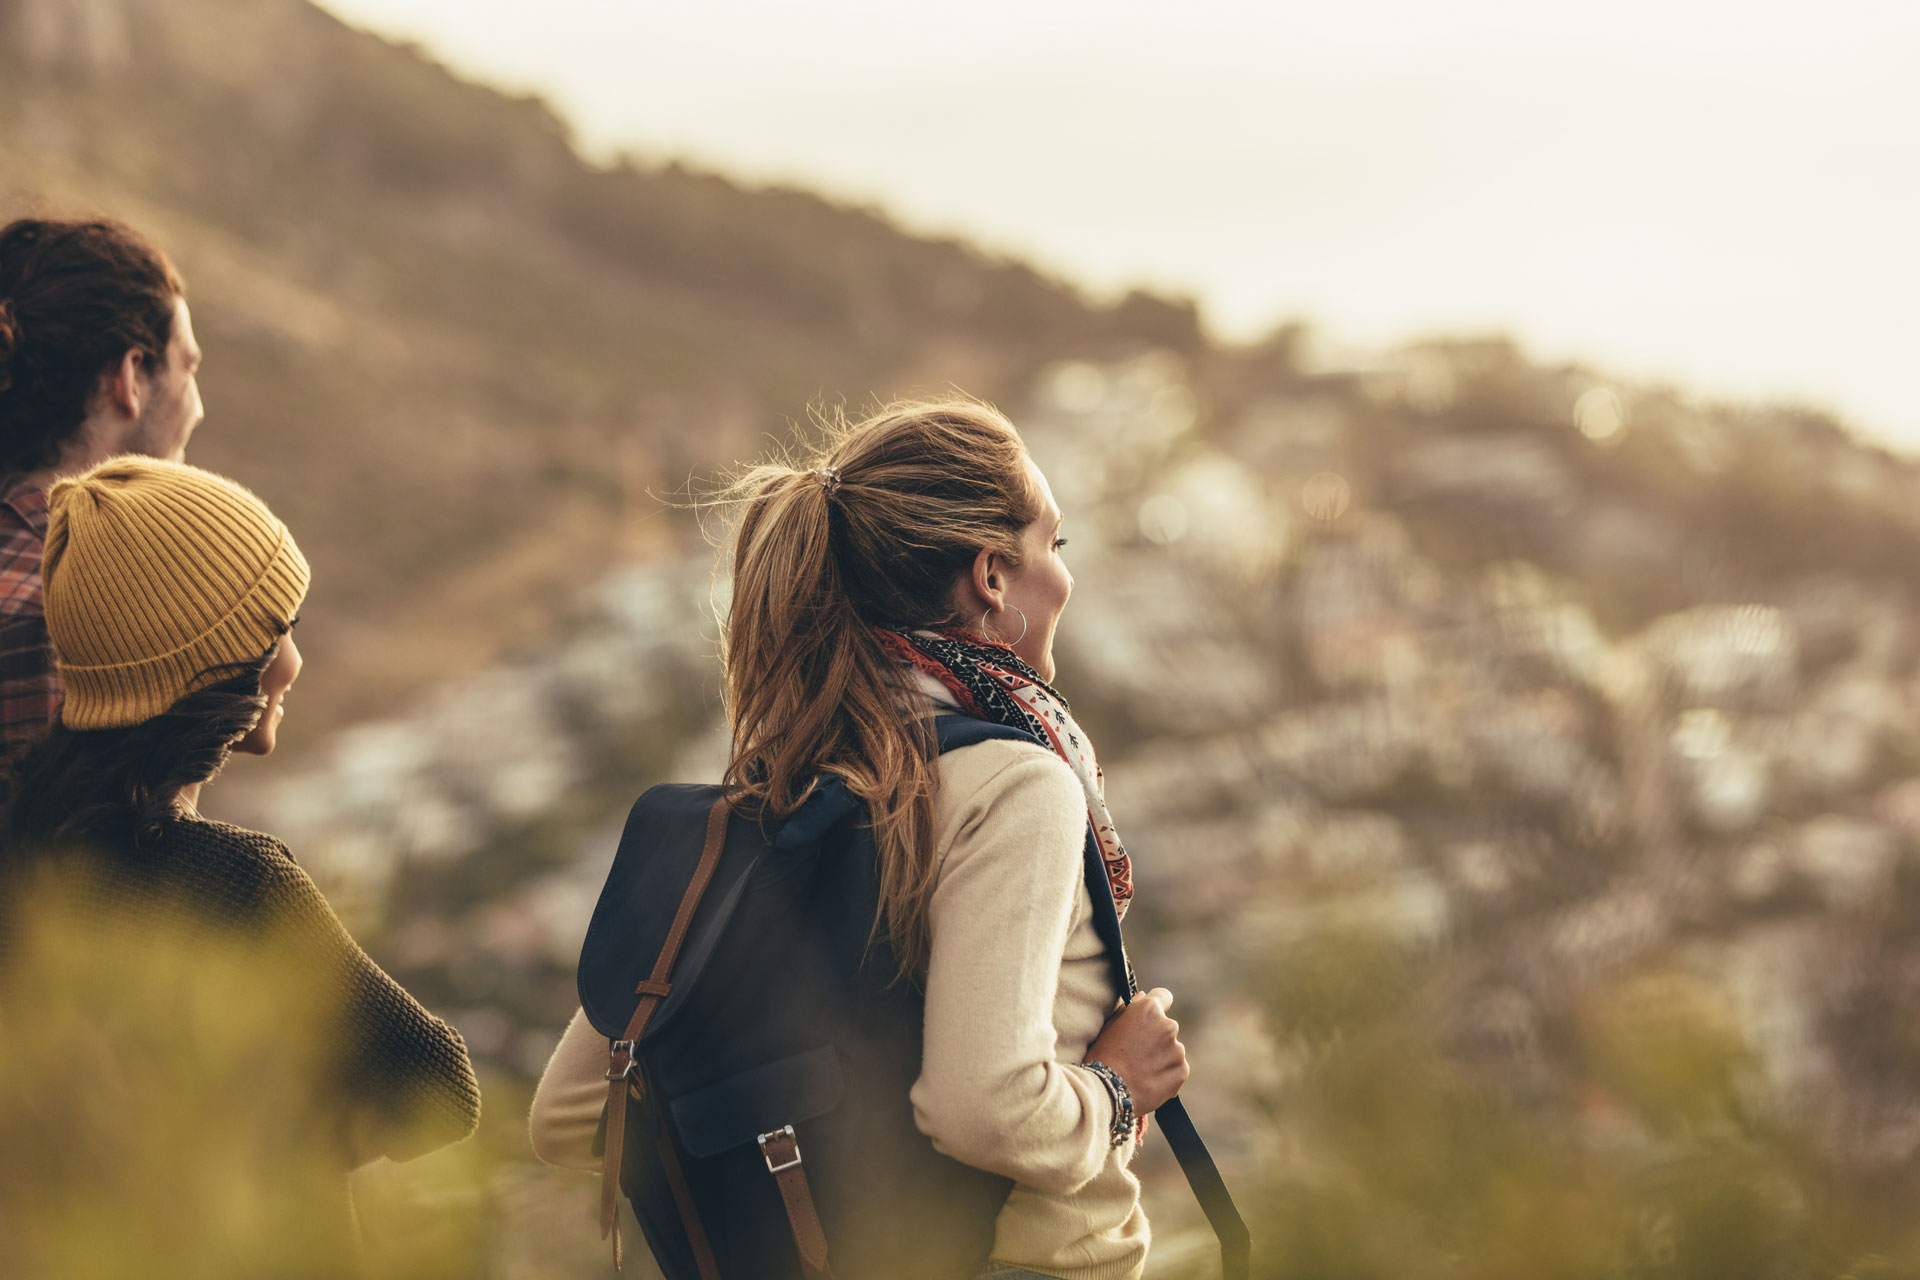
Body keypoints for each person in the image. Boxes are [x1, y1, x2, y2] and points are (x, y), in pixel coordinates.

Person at [531, 401, 1188, 1280]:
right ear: (992, 575)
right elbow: (980, 1108)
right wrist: (1116, 1090)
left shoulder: (777, 791)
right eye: (1054, 547)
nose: (1065, 579)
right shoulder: (1018, 785)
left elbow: (574, 1112)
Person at [0, 456, 478, 1275]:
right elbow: (442, 1092)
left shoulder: (24, 851)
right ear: (210, 671)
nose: (292, 660)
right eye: (274, 631)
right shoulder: (234, 884)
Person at [0, 217, 203, 753]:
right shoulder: (62, 620)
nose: (198, 408)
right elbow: (73, 837)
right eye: (189, 368)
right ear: (131, 377)